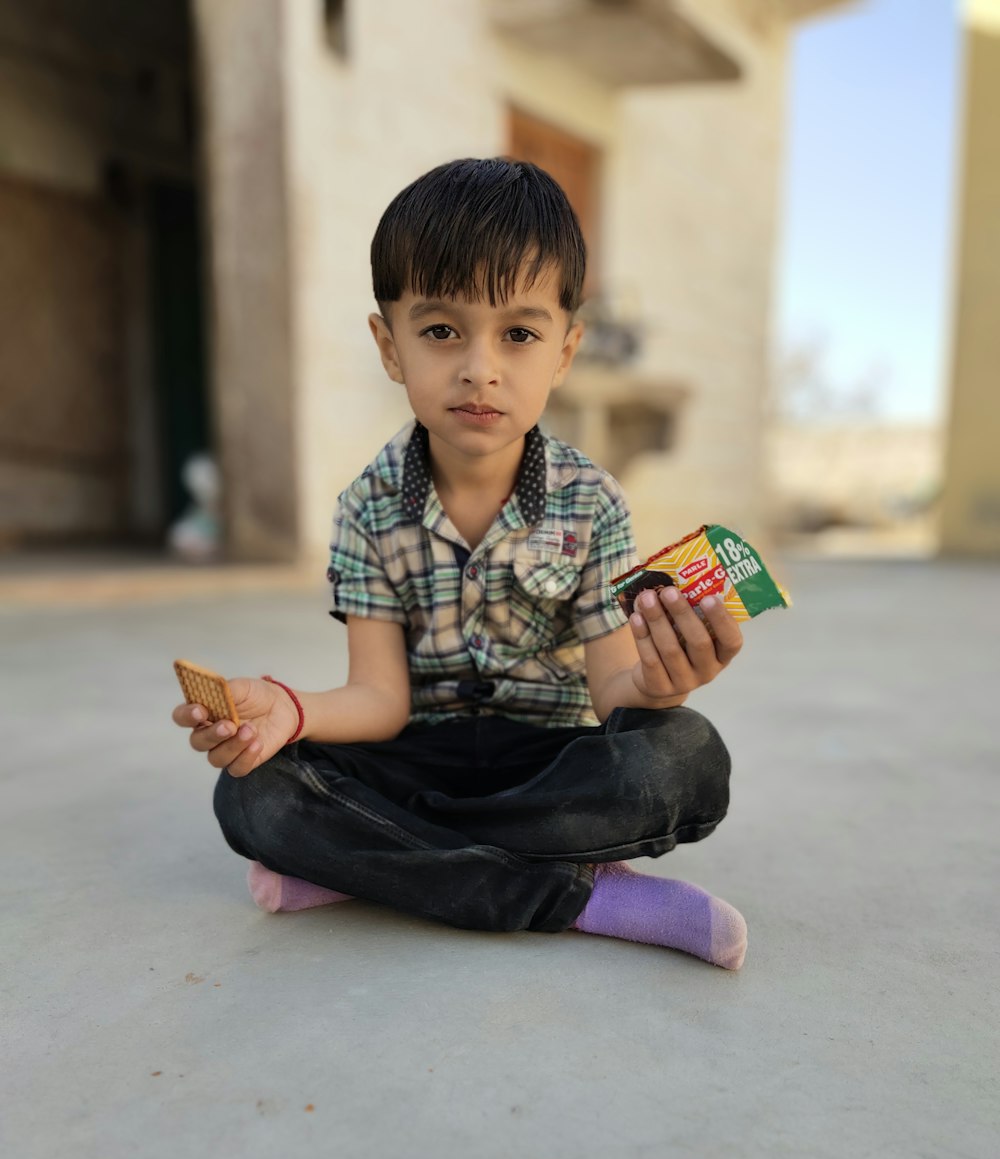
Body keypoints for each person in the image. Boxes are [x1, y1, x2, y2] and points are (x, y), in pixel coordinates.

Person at [172, 157, 749, 969]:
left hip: (546, 763)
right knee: (250, 793)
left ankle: (372, 863)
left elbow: (615, 693)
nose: (481, 366)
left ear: (566, 349)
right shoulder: (367, 504)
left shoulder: (593, 501)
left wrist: (667, 679)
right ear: (390, 345)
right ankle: (580, 893)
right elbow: (378, 698)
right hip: (417, 751)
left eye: (519, 333)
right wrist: (287, 710)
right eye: (442, 330)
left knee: (687, 758)